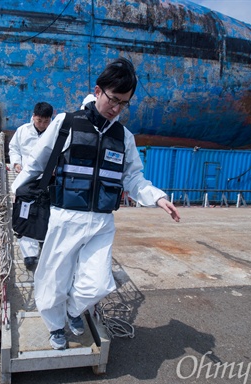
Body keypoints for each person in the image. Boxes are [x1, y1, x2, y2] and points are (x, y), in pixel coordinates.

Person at [11, 57, 180, 350]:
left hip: (102, 222)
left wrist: (158, 197)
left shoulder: (124, 137)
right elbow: (36, 162)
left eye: (124, 103)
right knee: (54, 278)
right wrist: (16, 192)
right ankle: (55, 327)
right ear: (98, 90)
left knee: (99, 283)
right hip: (66, 216)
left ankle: (74, 310)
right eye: (114, 99)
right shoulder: (66, 123)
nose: (117, 108)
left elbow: (133, 179)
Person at [8, 102, 54, 271]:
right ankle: (29, 254)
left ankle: (43, 243)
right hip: (26, 179)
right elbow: (14, 148)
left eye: (46, 121)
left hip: (47, 179)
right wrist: (16, 163)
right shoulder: (22, 131)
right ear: (34, 116)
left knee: (45, 213)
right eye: (39, 120)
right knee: (25, 214)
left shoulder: (55, 133)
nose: (42, 124)